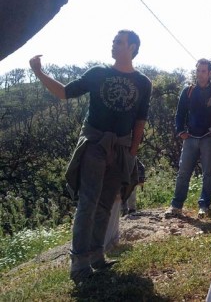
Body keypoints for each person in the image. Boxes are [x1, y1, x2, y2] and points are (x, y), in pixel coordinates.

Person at [29, 29, 152, 284]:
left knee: (106, 203)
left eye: (119, 42)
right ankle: (79, 265)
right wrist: (39, 73)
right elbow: (64, 92)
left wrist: (132, 152)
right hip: (95, 145)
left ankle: (97, 256)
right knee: (88, 203)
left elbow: (140, 119)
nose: (113, 45)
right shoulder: (98, 73)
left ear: (132, 48)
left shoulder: (143, 83)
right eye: (113, 41)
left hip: (121, 149)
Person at [165, 59, 211, 219]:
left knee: (208, 173)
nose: (200, 74)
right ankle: (176, 206)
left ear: (209, 73)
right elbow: (180, 114)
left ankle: (204, 206)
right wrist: (180, 131)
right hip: (190, 137)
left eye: (203, 71)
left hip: (209, 138)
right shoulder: (188, 91)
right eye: (198, 70)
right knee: (183, 172)